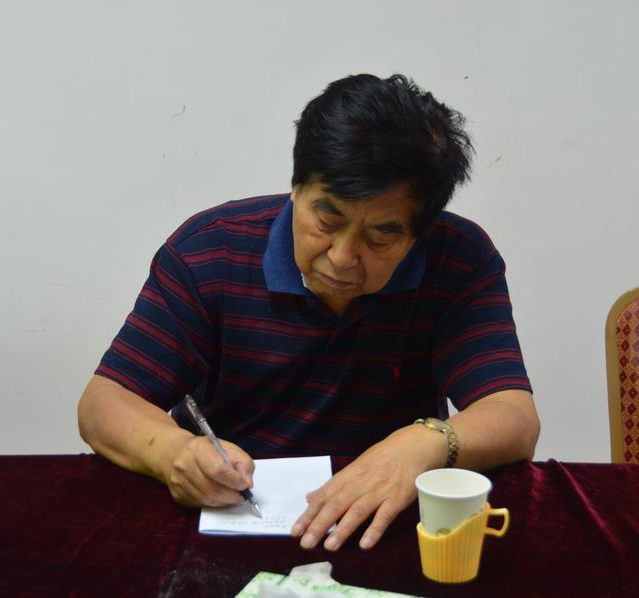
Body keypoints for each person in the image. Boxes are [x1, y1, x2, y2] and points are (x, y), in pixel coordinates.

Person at [78, 73, 540, 552]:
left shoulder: (459, 259)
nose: (342, 257)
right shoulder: (210, 252)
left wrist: (424, 443)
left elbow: (513, 416)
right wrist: (175, 452)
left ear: (421, 231)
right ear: (296, 187)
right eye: (327, 219)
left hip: (381, 526)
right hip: (231, 517)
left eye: (379, 237)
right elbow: (104, 402)